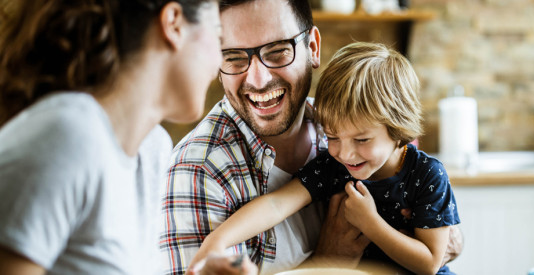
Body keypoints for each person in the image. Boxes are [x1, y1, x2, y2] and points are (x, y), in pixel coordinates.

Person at [160, 1, 463, 275]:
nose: (258, 78)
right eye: (235, 58)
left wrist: (404, 227)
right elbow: (276, 205)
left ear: (313, 48)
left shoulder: (340, 124)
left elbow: (437, 254)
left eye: (277, 51)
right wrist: (328, 260)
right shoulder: (200, 170)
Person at [0, 0, 256, 274]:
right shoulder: (67, 137)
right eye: (217, 36)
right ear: (174, 24)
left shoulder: (151, 149)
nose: (219, 60)